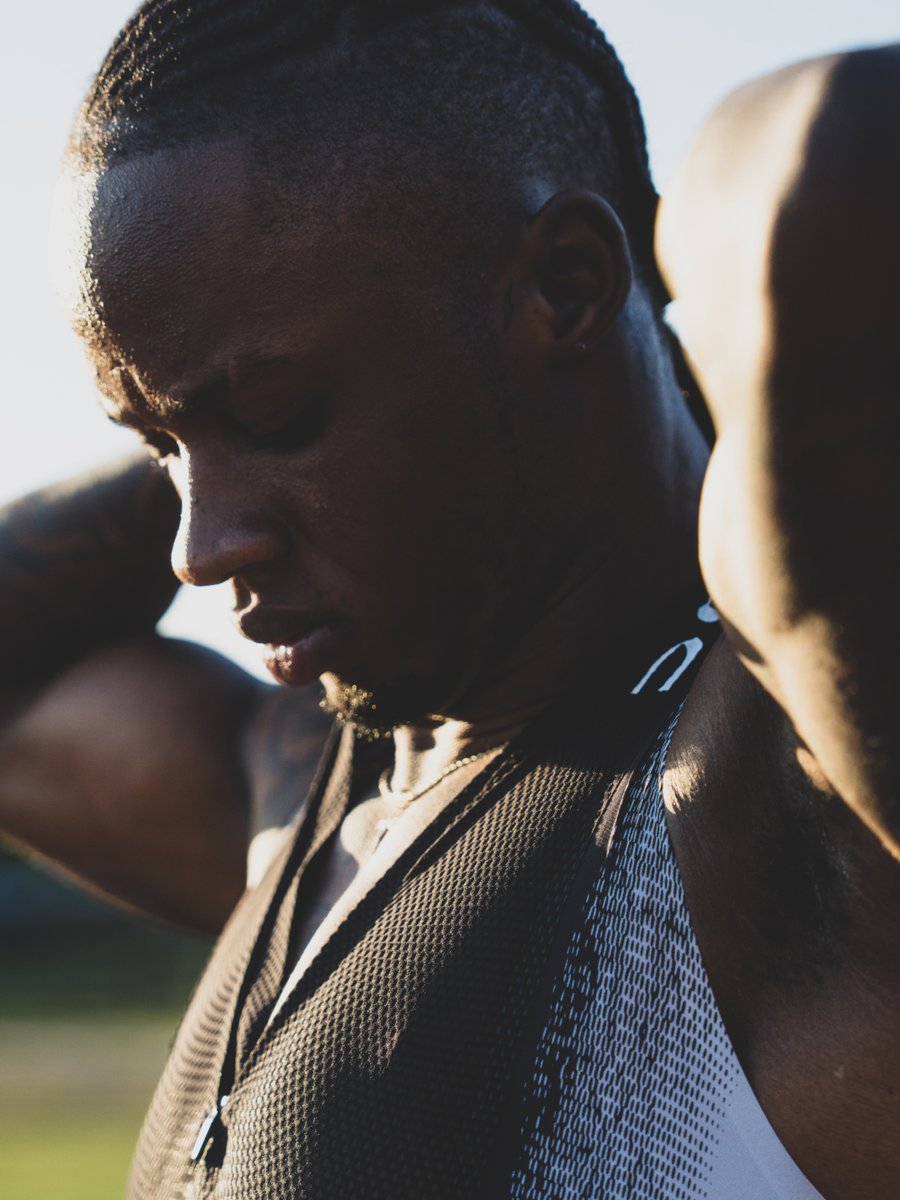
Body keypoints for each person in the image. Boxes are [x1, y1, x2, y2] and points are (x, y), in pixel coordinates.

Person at [0, 1, 897, 1196]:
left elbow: (843, 166)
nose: (200, 551)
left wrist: (644, 252)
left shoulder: (785, 782)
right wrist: (199, 386)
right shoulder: (310, 789)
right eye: (164, 448)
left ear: (568, 286)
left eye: (277, 416)